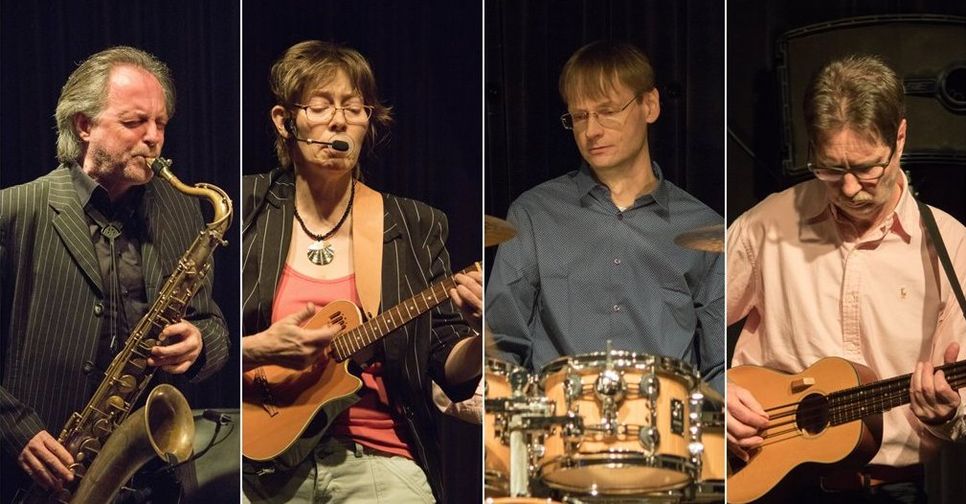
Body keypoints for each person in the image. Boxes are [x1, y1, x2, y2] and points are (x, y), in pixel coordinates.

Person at [240, 40, 482, 503]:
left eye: (355, 108)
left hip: (377, 455)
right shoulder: (248, 207)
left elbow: (449, 365)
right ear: (284, 120)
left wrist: (478, 336)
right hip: (255, 462)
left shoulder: (414, 225)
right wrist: (259, 348)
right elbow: (211, 338)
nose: (339, 120)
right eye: (320, 105)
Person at [727, 54, 966, 502]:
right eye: (831, 169)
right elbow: (681, 322)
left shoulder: (951, 247)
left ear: (900, 136)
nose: (851, 187)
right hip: (770, 480)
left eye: (867, 167)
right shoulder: (768, 224)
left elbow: (961, 411)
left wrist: (944, 414)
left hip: (894, 490)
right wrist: (715, 389)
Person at [0, 46, 230, 501]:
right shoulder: (14, 211)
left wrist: (201, 344)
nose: (153, 138)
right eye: (134, 122)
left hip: (155, 478)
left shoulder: (185, 214)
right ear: (84, 126)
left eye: (160, 123)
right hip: (43, 476)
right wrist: (14, 428)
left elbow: (215, 325)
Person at [485, 40, 725, 392]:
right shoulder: (534, 214)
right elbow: (501, 346)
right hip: (557, 432)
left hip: (664, 436)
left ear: (650, 105)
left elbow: (717, 367)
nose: (591, 130)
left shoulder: (702, 227)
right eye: (579, 116)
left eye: (607, 111)